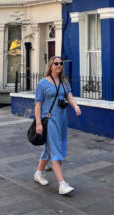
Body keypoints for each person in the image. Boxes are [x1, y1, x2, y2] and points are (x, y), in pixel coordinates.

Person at [33, 56, 82, 194]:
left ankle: (38, 173)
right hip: (49, 121)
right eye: (56, 63)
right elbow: (37, 104)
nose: (59, 65)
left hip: (61, 120)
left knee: (49, 149)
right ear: (50, 66)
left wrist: (75, 106)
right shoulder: (42, 83)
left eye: (60, 63)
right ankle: (62, 184)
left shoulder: (64, 81)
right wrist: (38, 123)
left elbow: (69, 96)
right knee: (56, 150)